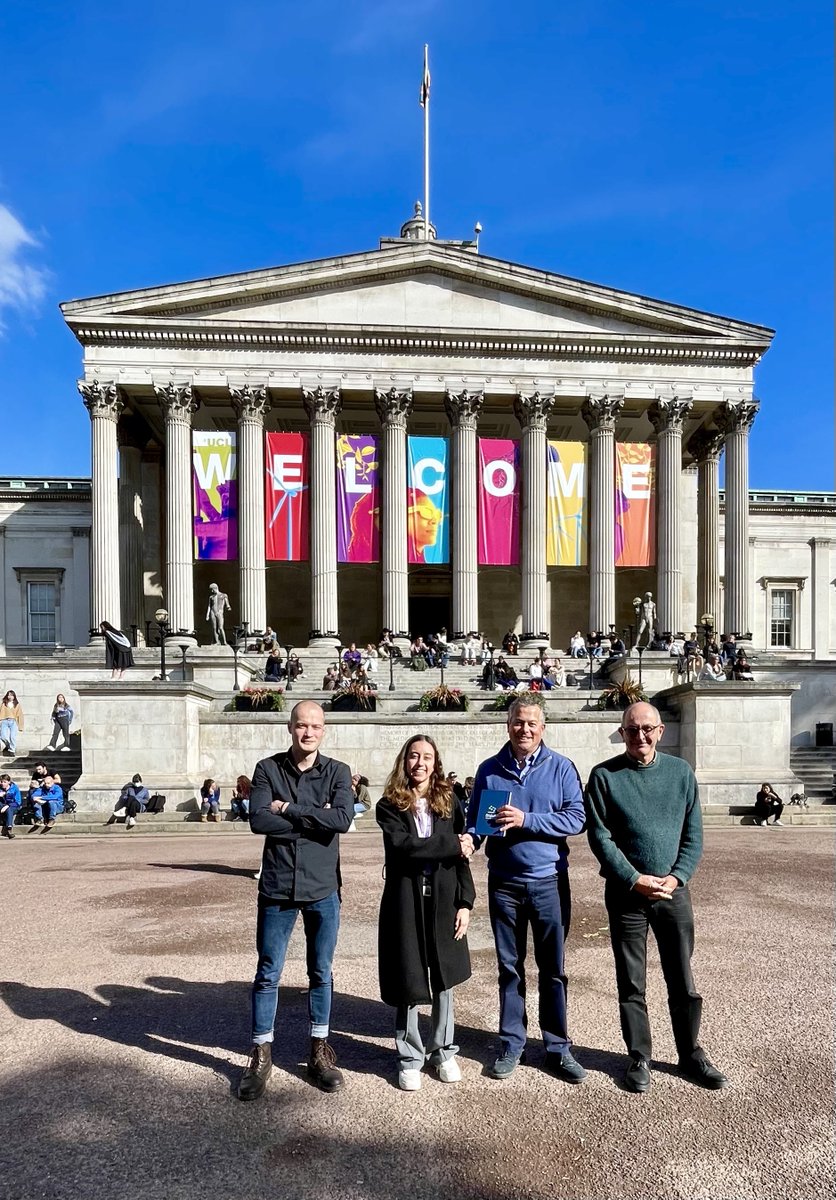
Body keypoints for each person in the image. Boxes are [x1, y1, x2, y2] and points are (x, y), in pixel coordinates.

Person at [584, 701, 727, 1094]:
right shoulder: (604, 776)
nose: (640, 737)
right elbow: (600, 837)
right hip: (627, 894)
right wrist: (633, 878)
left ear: (660, 731)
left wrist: (677, 877)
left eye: (647, 729)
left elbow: (693, 834)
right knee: (631, 982)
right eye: (632, 730)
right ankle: (639, 1056)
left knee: (682, 979)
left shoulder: (681, 773)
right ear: (622, 733)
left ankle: (690, 1052)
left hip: (672, 893)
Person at [464, 693, 586, 1082]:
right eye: (518, 722)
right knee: (509, 968)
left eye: (532, 723)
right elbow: (477, 822)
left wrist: (526, 819)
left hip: (548, 881)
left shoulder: (561, 767)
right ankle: (512, 1042)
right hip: (504, 883)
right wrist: (470, 839)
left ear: (543, 728)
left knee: (553, 969)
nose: (525, 729)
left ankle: (557, 1046)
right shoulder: (490, 769)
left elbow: (576, 819)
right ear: (508, 725)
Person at [238, 700, 353, 1101]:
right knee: (268, 972)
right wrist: (313, 818)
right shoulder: (268, 768)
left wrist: (287, 809)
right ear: (290, 728)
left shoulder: (337, 771)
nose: (308, 733)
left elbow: (342, 820)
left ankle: (319, 1050)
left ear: (324, 730)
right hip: (278, 887)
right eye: (301, 725)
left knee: (321, 971)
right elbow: (258, 820)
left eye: (315, 726)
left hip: (322, 886)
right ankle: (261, 1052)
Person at [377, 735, 475, 1090]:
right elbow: (404, 848)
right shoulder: (389, 804)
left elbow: (463, 858)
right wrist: (453, 844)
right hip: (405, 898)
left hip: (444, 896)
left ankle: (443, 1051)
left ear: (436, 762)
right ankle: (409, 1056)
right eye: (414, 756)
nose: (420, 763)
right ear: (404, 761)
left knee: (444, 976)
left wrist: (465, 901)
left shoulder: (449, 801)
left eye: (427, 757)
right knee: (409, 975)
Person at [0, 690, 24, 756]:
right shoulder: (4, 703)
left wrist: (20, 726)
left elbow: (20, 715)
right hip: (4, 721)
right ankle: (8, 745)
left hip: (13, 721)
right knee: (3, 736)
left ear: (14, 696)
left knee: (12, 737)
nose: (10, 696)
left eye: (11, 695)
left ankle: (12, 750)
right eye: (9, 695)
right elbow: (0, 712)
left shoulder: (17, 704)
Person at [0, 773, 22, 838]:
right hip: (2, 805)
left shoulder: (15, 788)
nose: (2, 783)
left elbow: (18, 802)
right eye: (1, 782)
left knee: (9, 809)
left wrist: (7, 806)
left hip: (14, 806)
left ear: (9, 782)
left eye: (4, 782)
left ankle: (9, 828)